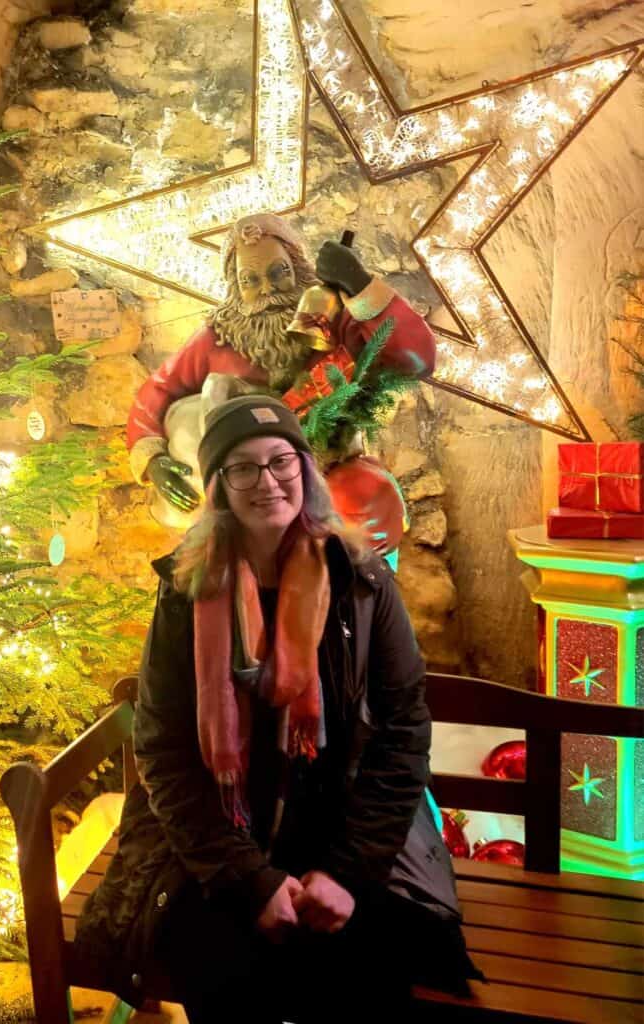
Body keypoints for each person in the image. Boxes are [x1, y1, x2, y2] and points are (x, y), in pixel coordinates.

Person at [75, 395, 478, 1022]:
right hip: (220, 835)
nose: (267, 482)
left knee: (365, 964)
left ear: (304, 469)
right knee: (221, 960)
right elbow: (163, 746)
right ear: (218, 487)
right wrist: (248, 880)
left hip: (345, 831)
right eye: (243, 468)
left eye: (280, 461)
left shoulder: (362, 580)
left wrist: (347, 872)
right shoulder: (186, 591)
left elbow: (402, 734)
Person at [126, 212, 436, 519]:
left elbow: (415, 361)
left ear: (298, 269)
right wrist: (153, 459)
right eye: (250, 280)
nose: (267, 290)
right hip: (246, 492)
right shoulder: (219, 337)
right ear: (235, 286)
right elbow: (159, 391)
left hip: (328, 476)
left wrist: (361, 286)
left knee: (363, 500)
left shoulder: (333, 320)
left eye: (278, 273)